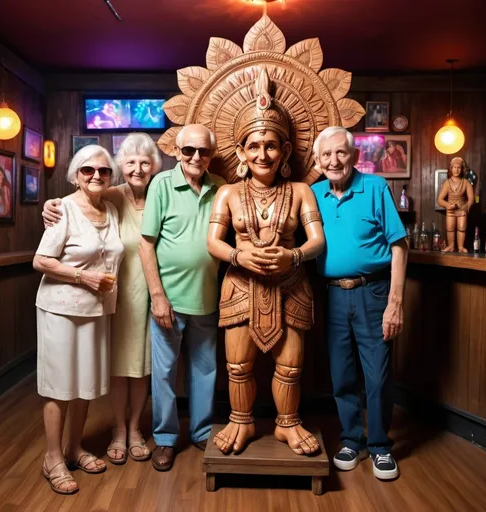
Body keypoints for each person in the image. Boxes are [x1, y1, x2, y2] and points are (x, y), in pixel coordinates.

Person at [207, 69, 325, 456]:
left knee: (290, 367)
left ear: (286, 151)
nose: (262, 154)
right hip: (241, 285)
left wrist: (293, 255)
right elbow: (212, 242)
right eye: (253, 146)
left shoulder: (301, 191)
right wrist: (238, 254)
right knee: (238, 366)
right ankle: (240, 421)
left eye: (272, 145)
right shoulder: (227, 193)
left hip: (291, 285)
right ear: (240, 151)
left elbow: (318, 242)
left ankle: (287, 425)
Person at [42, 133, 163, 465]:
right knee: (113, 366)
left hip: (149, 292)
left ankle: (135, 429)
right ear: (120, 167)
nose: (137, 168)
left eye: (145, 161)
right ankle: (118, 431)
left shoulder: (161, 194)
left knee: (140, 366)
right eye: (130, 162)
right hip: (109, 295)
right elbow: (77, 199)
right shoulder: (111, 195)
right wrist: (50, 205)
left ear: (154, 166)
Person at [311, 126, 408, 480]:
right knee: (341, 373)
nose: (334, 160)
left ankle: (381, 446)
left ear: (354, 156)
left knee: (377, 374)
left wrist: (395, 301)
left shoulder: (376, 187)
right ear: (317, 161)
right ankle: (353, 439)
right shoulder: (313, 193)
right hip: (333, 294)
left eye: (341, 153)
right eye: (327, 155)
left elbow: (399, 245)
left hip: (374, 292)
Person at [33, 145, 124, 494]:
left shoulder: (112, 210)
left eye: (103, 170)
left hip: (97, 309)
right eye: (88, 170)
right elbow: (41, 260)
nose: (96, 176)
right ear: (75, 175)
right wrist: (83, 277)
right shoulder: (63, 210)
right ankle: (53, 457)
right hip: (60, 308)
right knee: (59, 385)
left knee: (85, 382)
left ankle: (74, 448)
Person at [139, 123, 224, 472]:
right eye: (188, 150)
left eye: (203, 151)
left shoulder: (220, 187)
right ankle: (165, 438)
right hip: (168, 302)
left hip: (208, 297)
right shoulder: (161, 184)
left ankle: (202, 431)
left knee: (206, 370)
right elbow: (147, 243)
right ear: (176, 151)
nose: (195, 157)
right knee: (163, 374)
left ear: (211, 154)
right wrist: (157, 296)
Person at [437, 157, 474, 253]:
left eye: (458, 167)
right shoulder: (447, 183)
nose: (456, 170)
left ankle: (461, 247)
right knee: (450, 227)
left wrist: (467, 206)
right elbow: (440, 200)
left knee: (462, 227)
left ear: (462, 169)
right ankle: (451, 246)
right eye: (454, 167)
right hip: (450, 210)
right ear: (451, 168)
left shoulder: (465, 182)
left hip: (462, 210)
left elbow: (471, 199)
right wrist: (448, 205)